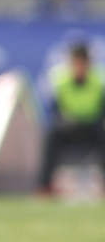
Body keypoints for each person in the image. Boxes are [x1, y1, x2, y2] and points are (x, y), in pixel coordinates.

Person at [37, 43, 105, 194]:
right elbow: (55, 110)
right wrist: (66, 120)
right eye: (76, 62)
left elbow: (101, 111)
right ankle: (45, 186)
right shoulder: (60, 80)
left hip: (91, 127)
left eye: (82, 63)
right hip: (69, 128)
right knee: (51, 136)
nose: (79, 67)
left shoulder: (98, 80)